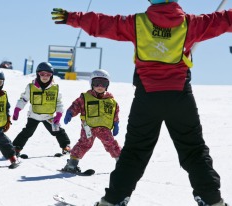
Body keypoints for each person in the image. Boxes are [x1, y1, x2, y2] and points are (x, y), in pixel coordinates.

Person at [51, 0, 232, 205]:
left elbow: (104, 24)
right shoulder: (191, 24)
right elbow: (224, 20)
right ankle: (212, 201)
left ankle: (113, 200)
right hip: (179, 97)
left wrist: (72, 18)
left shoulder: (138, 23)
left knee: (134, 153)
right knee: (194, 151)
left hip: (147, 97)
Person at [62, 69, 121, 173]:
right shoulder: (85, 98)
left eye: (103, 83)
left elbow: (115, 113)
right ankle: (72, 164)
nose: (100, 86)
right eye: (96, 83)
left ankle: (122, 163)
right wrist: (70, 113)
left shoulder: (111, 101)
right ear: (91, 84)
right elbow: (76, 105)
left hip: (104, 128)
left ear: (107, 85)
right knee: (84, 144)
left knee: (111, 144)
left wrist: (116, 124)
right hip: (88, 127)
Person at [12, 62, 71, 157]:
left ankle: (66, 146)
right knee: (27, 132)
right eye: (42, 74)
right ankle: (16, 147)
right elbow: (23, 99)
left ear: (51, 75)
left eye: (48, 74)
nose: (45, 76)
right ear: (37, 74)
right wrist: (17, 109)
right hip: (34, 115)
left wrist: (59, 114)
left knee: (58, 131)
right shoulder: (31, 87)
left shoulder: (55, 88)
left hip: (48, 116)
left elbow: (59, 103)